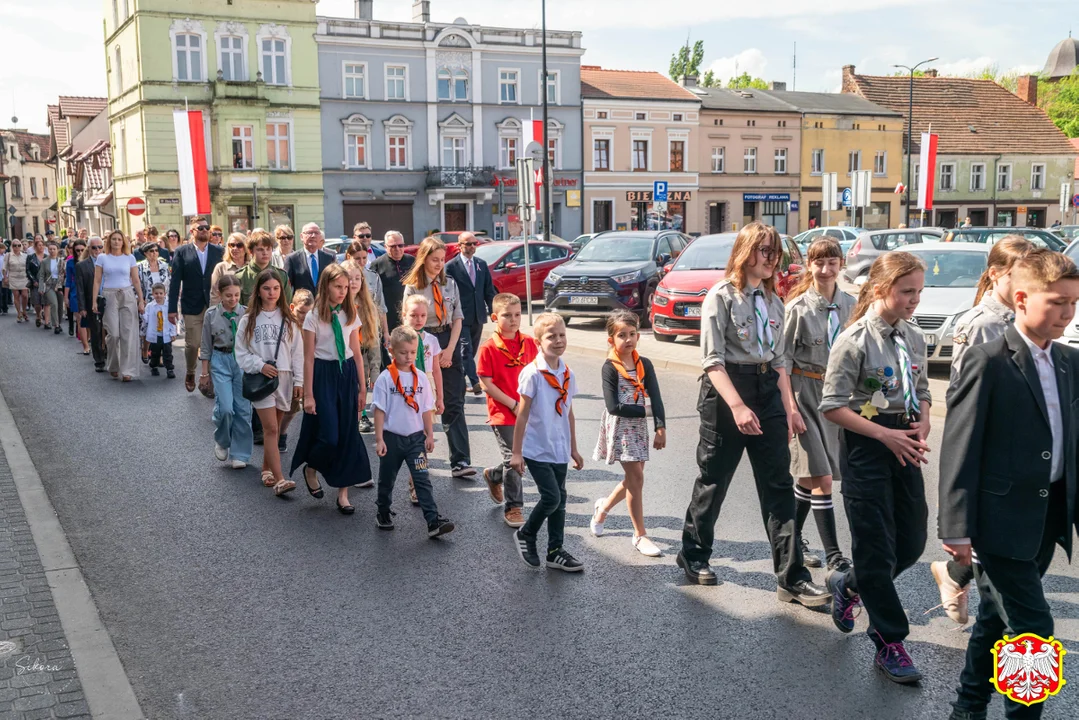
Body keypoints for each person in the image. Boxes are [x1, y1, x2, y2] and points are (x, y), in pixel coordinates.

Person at [939, 249, 1079, 720]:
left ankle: (968, 704)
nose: (1068, 312)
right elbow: (961, 446)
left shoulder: (1068, 362)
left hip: (1045, 517)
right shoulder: (988, 361)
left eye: (1075, 302)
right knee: (1034, 626)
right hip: (997, 522)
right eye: (1058, 301)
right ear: (1021, 298)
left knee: (996, 617)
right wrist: (955, 527)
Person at [677, 222, 828, 608]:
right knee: (714, 479)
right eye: (765, 251)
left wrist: (789, 408)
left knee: (778, 485)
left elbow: (778, 362)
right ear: (746, 252)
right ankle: (693, 554)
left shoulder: (773, 301)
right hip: (728, 391)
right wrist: (738, 406)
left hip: (767, 392)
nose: (771, 259)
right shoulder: (721, 297)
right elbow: (712, 361)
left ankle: (792, 578)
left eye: (775, 252)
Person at [821, 251, 932, 684]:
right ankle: (890, 641)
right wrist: (883, 434)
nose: (914, 300)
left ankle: (849, 585)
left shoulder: (914, 337)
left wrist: (923, 416)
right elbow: (831, 406)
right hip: (868, 445)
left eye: (919, 292)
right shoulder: (854, 341)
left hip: (905, 443)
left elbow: (921, 389)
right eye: (907, 292)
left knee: (912, 543)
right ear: (883, 290)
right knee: (875, 546)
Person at [930, 236, 1033, 626]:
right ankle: (959, 579)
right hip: (989, 441)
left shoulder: (1022, 317)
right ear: (994, 275)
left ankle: (955, 577)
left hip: (1018, 440)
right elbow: (964, 393)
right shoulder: (981, 323)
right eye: (1017, 274)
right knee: (989, 536)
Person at [782, 238, 855, 573]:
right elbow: (780, 360)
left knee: (808, 477)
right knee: (822, 476)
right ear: (809, 265)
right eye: (819, 263)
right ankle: (834, 555)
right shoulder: (797, 309)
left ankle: (790, 538)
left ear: (841, 264)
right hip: (804, 394)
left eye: (832, 263)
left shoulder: (852, 306)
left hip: (837, 397)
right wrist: (789, 409)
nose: (825, 271)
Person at [290, 264, 371, 513]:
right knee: (329, 436)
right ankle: (311, 467)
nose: (343, 292)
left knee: (347, 433)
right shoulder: (313, 317)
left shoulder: (350, 314)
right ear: (326, 286)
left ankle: (343, 494)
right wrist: (309, 394)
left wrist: (362, 388)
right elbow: (308, 357)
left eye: (346, 287)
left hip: (346, 374)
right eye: (338, 286)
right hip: (323, 374)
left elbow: (357, 354)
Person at [587, 310, 667, 557]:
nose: (629, 339)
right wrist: (644, 411)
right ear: (611, 339)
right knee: (637, 479)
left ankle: (603, 507)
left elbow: (657, 396)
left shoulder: (645, 364)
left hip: (639, 427)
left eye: (633, 334)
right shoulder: (610, 367)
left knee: (635, 478)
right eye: (622, 335)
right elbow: (613, 406)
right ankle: (639, 535)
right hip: (620, 427)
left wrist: (660, 427)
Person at [510, 313, 585, 572]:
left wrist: (573, 448)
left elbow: (568, 412)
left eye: (562, 335)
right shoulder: (532, 374)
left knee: (561, 499)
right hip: (536, 447)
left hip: (559, 447)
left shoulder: (567, 373)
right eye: (551, 336)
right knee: (551, 497)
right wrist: (516, 452)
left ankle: (555, 551)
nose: (558, 340)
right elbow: (522, 414)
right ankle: (526, 534)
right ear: (538, 341)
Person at [373, 325, 456, 537]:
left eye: (412, 352)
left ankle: (432, 521)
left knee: (422, 479)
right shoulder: (385, 378)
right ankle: (383, 511)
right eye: (403, 352)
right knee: (386, 479)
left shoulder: (420, 377)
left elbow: (426, 409)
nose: (408, 356)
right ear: (391, 351)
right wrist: (380, 438)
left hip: (415, 439)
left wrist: (429, 434)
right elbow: (380, 411)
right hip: (392, 439)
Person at [402, 237, 473, 478]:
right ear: (423, 260)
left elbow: (458, 318)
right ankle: (419, 462)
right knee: (420, 404)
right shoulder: (412, 286)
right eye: (434, 260)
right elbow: (408, 321)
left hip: (447, 341)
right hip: (422, 341)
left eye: (442, 260)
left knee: (453, 402)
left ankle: (460, 460)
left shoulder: (450, 283)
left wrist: (450, 350)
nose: (439, 264)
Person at [235, 270, 304, 497]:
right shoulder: (248, 319)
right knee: (271, 429)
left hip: (285, 377)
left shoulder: (288, 318)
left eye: (276, 288)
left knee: (273, 428)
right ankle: (280, 479)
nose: (272, 292)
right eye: (266, 288)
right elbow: (241, 353)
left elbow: (297, 353)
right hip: (262, 377)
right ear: (258, 291)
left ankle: (266, 469)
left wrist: (299, 381)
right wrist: (259, 365)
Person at [477, 293, 536, 528]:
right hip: (503, 411)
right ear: (494, 317)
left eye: (517, 315)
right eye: (507, 315)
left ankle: (494, 475)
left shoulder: (530, 343)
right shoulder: (489, 348)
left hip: (527, 411)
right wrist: (512, 404)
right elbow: (485, 383)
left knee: (524, 456)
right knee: (514, 457)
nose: (513, 320)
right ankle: (514, 507)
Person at [201, 275, 252, 470]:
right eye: (228, 295)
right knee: (225, 409)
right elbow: (205, 345)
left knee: (242, 409)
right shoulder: (211, 315)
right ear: (220, 294)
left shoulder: (246, 314)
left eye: (237, 295)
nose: (233, 299)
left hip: (241, 361)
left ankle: (240, 453)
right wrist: (204, 373)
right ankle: (222, 439)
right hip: (220, 359)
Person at [168, 218, 224, 392]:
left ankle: (213, 380)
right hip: (192, 304)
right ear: (192, 231)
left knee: (215, 344)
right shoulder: (182, 252)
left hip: (214, 303)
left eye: (207, 227)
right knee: (193, 344)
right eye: (200, 228)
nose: (205, 230)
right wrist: (171, 309)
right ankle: (191, 371)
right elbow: (175, 281)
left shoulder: (218, 251)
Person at [446, 231, 496, 395]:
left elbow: (488, 290)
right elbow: (448, 293)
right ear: (459, 246)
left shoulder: (481, 264)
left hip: (478, 315)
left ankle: (463, 378)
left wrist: (494, 310)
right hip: (460, 316)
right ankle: (475, 382)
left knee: (472, 350)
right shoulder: (451, 266)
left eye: (474, 243)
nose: (472, 247)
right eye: (468, 244)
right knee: (465, 349)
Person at [92, 230, 144, 382]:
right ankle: (114, 365)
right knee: (113, 334)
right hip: (109, 295)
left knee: (128, 334)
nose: (116, 242)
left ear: (123, 242)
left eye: (119, 239)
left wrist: (140, 299)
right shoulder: (102, 258)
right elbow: (97, 280)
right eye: (113, 239)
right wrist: (94, 300)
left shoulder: (130, 258)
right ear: (109, 241)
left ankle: (128, 370)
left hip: (127, 294)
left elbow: (135, 280)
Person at [342, 259, 382, 438]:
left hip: (363, 357)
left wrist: (375, 370)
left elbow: (374, 340)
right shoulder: (336, 305)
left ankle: (360, 418)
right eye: (349, 278)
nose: (353, 282)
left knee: (360, 392)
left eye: (357, 278)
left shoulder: (368, 306)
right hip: (342, 358)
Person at [278, 289, 314, 454]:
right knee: (285, 406)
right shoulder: (286, 324)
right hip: (288, 370)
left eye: (308, 313)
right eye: (300, 312)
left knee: (294, 409)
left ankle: (282, 431)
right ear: (292, 307)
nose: (304, 317)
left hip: (307, 369)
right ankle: (277, 432)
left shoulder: (312, 323)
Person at [371, 230, 415, 343]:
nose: (397, 249)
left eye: (400, 245)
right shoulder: (377, 265)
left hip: (411, 316)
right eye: (393, 246)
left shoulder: (412, 261)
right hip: (389, 319)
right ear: (385, 247)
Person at [236, 229, 292, 308]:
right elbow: (237, 308)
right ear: (250, 251)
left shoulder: (281, 275)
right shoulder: (240, 276)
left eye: (268, 249)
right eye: (260, 249)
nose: (265, 253)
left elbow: (287, 305)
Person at [75, 238, 106, 370]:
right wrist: (82, 307)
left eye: (100, 247)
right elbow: (80, 288)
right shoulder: (82, 266)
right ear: (89, 249)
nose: (97, 250)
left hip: (108, 300)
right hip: (91, 302)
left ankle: (109, 356)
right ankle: (99, 361)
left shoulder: (108, 262)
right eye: (94, 248)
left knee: (110, 331)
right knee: (96, 332)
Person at [284, 223, 334, 295]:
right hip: (301, 304)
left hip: (323, 304)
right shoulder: (292, 259)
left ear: (320, 237)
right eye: (309, 233)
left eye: (316, 233)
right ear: (301, 236)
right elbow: (287, 287)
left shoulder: (328, 258)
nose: (313, 236)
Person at [142, 282, 176, 378]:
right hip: (155, 335)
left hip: (166, 334)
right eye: (156, 293)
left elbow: (172, 320)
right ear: (153, 294)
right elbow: (146, 319)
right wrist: (142, 313)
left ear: (165, 294)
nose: (159, 295)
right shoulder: (150, 306)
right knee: (155, 353)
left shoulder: (168, 306)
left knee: (167, 353)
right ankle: (154, 366)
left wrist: (173, 333)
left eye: (161, 293)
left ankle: (170, 369)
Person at [210, 233, 249, 305]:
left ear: (246, 248)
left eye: (239, 245)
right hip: (226, 313)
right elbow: (214, 295)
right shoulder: (221, 267)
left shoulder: (251, 267)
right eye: (232, 245)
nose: (235, 248)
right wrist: (215, 313)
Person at [65, 239, 89, 351]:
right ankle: (85, 346)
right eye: (77, 250)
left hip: (88, 290)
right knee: (80, 319)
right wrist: (66, 297)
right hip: (75, 292)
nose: (80, 252)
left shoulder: (91, 261)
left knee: (90, 319)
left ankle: (89, 339)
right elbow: (68, 281)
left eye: (82, 250)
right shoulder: (70, 263)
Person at [38, 240, 64, 334]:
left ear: (57, 250)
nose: (52, 251)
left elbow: (63, 274)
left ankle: (59, 323)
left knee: (60, 305)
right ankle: (56, 325)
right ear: (48, 250)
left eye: (54, 249)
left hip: (59, 285)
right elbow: (41, 275)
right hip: (49, 285)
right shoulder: (44, 261)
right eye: (50, 249)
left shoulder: (61, 261)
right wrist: (41, 287)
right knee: (54, 304)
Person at [5, 239, 28, 322]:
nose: (17, 247)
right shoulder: (8, 255)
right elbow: (5, 268)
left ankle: (24, 311)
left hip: (23, 277)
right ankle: (19, 313)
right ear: (12, 246)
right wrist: (5, 277)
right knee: (16, 295)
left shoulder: (25, 255)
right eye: (15, 245)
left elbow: (28, 267)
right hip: (13, 277)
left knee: (25, 295)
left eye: (18, 245)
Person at [27, 235, 45, 327]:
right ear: (35, 247)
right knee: (37, 302)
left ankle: (45, 317)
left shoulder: (47, 257)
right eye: (39, 245)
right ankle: (38, 315)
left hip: (45, 283)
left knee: (45, 301)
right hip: (35, 283)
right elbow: (28, 270)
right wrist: (33, 280)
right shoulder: (31, 257)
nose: (41, 247)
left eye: (42, 245)